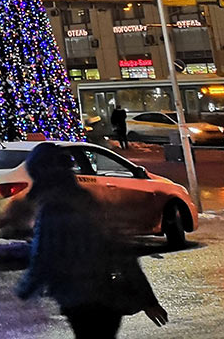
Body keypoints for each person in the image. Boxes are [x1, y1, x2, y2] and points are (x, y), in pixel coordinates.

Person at [16, 143, 168, 337]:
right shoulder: (84, 199)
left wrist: (25, 289)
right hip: (104, 298)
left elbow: (44, 256)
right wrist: (148, 299)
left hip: (80, 300)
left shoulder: (53, 208)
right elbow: (118, 249)